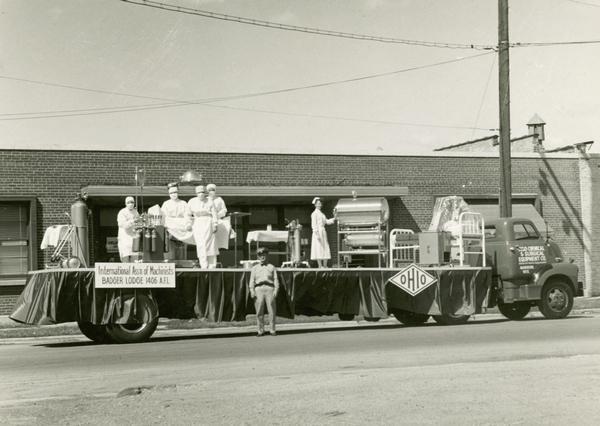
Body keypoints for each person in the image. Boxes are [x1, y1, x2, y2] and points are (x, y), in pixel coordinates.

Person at [186, 185, 218, 268]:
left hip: (208, 222)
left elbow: (214, 213)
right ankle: (203, 264)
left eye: (203, 192)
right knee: (201, 244)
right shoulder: (192, 201)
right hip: (197, 223)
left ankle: (212, 265)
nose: (201, 194)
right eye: (199, 192)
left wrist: (215, 224)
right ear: (196, 193)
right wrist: (188, 224)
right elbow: (188, 214)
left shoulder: (210, 201)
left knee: (210, 244)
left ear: (205, 193)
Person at [249, 247, 279, 336]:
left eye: (264, 255)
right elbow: (252, 280)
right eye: (260, 256)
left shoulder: (271, 267)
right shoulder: (254, 268)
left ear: (267, 255)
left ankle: (272, 330)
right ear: (258, 257)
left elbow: (276, 279)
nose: (262, 257)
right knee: (259, 311)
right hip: (258, 289)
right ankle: (260, 330)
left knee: (272, 311)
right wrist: (252, 290)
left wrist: (276, 290)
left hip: (269, 289)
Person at [161, 183, 188, 260]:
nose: (173, 194)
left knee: (181, 254)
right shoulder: (166, 204)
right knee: (170, 254)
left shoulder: (183, 203)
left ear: (178, 192)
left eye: (175, 192)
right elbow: (163, 218)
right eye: (171, 193)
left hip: (182, 230)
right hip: (170, 230)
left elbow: (187, 216)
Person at [310, 197, 335, 268]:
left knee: (325, 247)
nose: (319, 205)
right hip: (317, 232)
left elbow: (326, 221)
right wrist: (316, 233)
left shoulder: (322, 214)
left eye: (320, 203)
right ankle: (320, 265)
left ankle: (325, 265)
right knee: (318, 247)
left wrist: (334, 218)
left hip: (323, 232)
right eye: (318, 204)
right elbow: (314, 225)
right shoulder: (314, 214)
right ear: (315, 205)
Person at [207, 183, 231, 252]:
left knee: (224, 226)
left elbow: (224, 210)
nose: (211, 192)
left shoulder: (219, 199)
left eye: (213, 190)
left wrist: (217, 215)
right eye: (210, 190)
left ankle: (219, 246)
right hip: (208, 219)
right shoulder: (206, 200)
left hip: (218, 218)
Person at [117, 196, 139, 262]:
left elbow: (137, 225)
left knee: (135, 259)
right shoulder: (122, 212)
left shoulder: (136, 212)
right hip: (124, 238)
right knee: (125, 258)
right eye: (129, 202)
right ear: (125, 203)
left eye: (132, 202)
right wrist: (133, 221)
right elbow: (124, 225)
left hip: (134, 239)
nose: (131, 204)